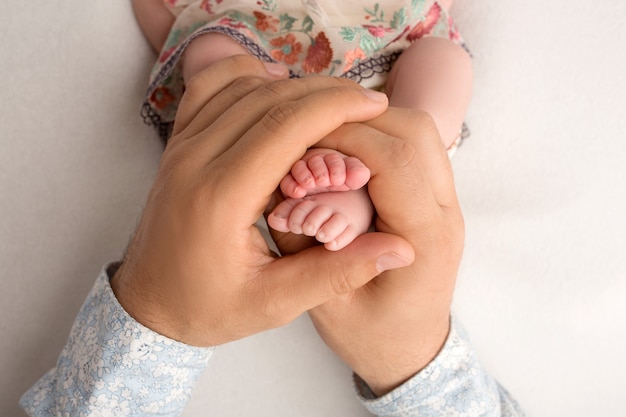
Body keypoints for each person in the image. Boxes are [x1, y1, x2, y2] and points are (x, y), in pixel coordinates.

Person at [20, 56, 524, 416]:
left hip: (368, 83)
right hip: (297, 86)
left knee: (444, 59)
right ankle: (358, 184)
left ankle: (363, 175)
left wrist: (151, 325)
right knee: (208, 54)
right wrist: (419, 365)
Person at [132, 0, 473, 250]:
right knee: (210, 52)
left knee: (444, 63)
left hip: (384, 47)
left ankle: (364, 187)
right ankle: (273, 164)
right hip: (261, 39)